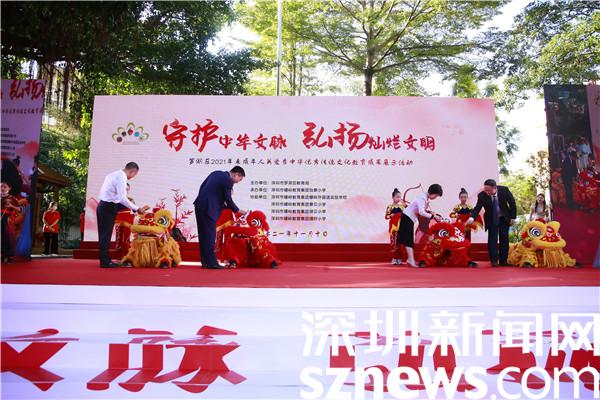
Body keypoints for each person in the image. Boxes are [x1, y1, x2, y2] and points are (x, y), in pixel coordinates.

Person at [97, 162, 149, 268]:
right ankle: (105, 262)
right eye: (134, 175)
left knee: (103, 235)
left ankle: (105, 260)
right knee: (105, 235)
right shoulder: (121, 178)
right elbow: (122, 198)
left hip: (103, 205)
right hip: (108, 207)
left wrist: (134, 208)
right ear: (132, 171)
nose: (132, 177)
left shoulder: (112, 174)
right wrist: (137, 208)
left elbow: (116, 198)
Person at [194, 166, 246, 269]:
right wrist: (238, 211)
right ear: (236, 174)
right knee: (210, 236)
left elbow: (203, 187)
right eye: (239, 179)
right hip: (209, 208)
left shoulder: (216, 173)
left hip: (199, 205)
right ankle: (212, 263)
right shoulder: (228, 180)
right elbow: (228, 199)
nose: (237, 182)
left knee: (203, 235)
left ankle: (205, 262)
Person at [467, 179, 517, 267]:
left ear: (494, 187)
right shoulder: (482, 195)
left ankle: (503, 261)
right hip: (491, 218)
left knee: (504, 238)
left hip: (504, 218)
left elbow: (512, 203)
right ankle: (494, 261)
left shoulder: (504, 190)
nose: (486, 192)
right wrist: (472, 217)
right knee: (492, 239)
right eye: (485, 189)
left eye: (488, 190)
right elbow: (477, 208)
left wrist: (513, 217)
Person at [397, 184, 443, 268]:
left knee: (408, 239)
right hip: (407, 217)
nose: (435, 198)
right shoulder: (422, 198)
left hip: (408, 217)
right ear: (432, 193)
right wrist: (434, 217)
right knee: (408, 239)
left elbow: (420, 211)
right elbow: (421, 212)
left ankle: (410, 259)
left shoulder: (424, 198)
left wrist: (432, 214)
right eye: (436, 196)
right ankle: (410, 260)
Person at [385, 188, 407, 265]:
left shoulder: (402, 206)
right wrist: (391, 215)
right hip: (393, 227)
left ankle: (400, 259)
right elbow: (386, 217)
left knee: (401, 243)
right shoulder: (390, 206)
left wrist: (405, 205)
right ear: (393, 197)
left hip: (401, 226)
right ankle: (394, 259)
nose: (399, 198)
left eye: (400, 197)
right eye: (397, 197)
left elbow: (408, 213)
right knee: (394, 243)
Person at [1, 181, 19, 263]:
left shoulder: (12, 198)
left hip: (6, 218)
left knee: (6, 237)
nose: (2, 188)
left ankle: (8, 256)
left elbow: (20, 209)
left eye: (5, 187)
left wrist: (11, 206)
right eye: (1, 186)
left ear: (9, 188)